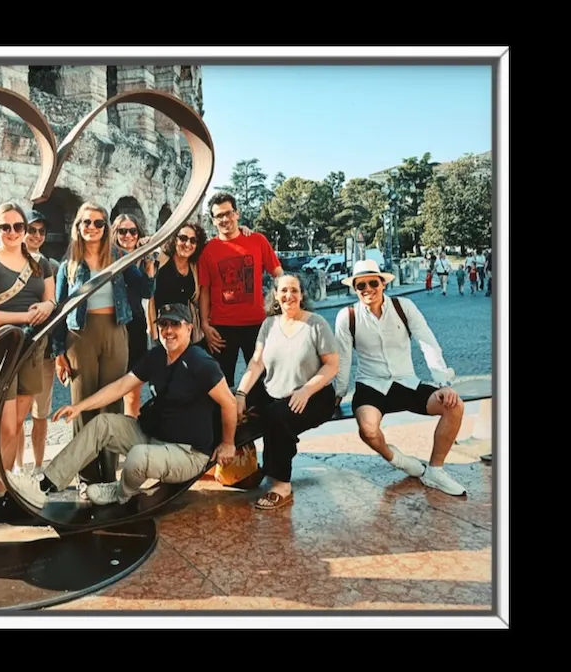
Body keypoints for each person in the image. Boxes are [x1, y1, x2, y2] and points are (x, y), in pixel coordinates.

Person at [6, 303, 237, 509]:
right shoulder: (156, 356)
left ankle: (120, 492)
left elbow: (229, 401)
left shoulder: (201, 363)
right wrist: (79, 407)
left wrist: (228, 443)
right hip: (153, 438)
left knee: (137, 457)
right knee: (102, 424)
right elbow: (121, 386)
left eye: (175, 324)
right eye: (163, 324)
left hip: (187, 453)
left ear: (189, 328)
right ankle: (45, 485)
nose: (168, 331)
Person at [332, 259, 467, 496]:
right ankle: (400, 460)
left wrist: (443, 383)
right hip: (370, 385)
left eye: (373, 283)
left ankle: (435, 471)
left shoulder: (404, 307)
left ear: (383, 283)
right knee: (368, 430)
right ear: (354, 289)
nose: (368, 289)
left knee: (454, 406)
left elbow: (427, 342)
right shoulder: (348, 316)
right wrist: (338, 394)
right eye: (361, 285)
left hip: (407, 382)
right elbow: (343, 359)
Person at [51, 202, 155, 492]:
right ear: (78, 226)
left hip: (115, 331)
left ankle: (108, 475)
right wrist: (58, 353)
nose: (92, 228)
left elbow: (145, 290)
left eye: (98, 223)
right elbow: (59, 310)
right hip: (80, 337)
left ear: (106, 228)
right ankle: (86, 478)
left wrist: (149, 268)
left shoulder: (118, 257)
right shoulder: (68, 265)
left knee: (111, 404)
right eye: (87, 222)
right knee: (82, 404)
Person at [0, 202, 57, 522]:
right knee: (2, 427)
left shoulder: (40, 263)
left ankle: (1, 491)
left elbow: (50, 298)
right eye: (5, 227)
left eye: (19, 226)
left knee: (16, 425)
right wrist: (24, 317)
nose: (13, 232)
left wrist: (47, 307)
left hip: (30, 350)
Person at [233, 274, 340, 511]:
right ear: (275, 295)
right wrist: (241, 394)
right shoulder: (269, 325)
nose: (288, 295)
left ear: (302, 295)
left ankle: (281, 484)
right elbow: (256, 363)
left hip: (314, 395)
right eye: (283, 290)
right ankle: (228, 462)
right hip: (274, 390)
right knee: (229, 403)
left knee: (277, 417)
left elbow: (332, 365)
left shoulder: (317, 324)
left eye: (294, 290)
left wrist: (306, 390)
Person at [198, 193, 283, 387]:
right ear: (213, 220)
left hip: (256, 324)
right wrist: (204, 325)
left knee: (263, 381)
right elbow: (205, 290)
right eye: (219, 215)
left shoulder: (258, 241)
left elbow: (278, 275)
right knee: (221, 384)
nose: (224, 219)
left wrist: (279, 310)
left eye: (228, 213)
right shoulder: (208, 251)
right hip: (221, 327)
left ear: (237, 213)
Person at [20, 210, 60, 470]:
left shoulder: (52, 266)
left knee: (40, 413)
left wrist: (60, 352)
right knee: (15, 413)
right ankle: (15, 466)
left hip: (44, 350)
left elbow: (59, 309)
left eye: (41, 231)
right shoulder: (9, 262)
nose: (36, 236)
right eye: (31, 230)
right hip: (17, 349)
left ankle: (37, 466)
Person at [112, 213, 154, 418]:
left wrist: (149, 262)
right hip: (113, 323)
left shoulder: (143, 257)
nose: (128, 235)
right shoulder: (109, 257)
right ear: (115, 233)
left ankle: (129, 429)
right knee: (112, 385)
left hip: (136, 324)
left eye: (132, 231)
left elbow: (147, 291)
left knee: (132, 389)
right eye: (122, 231)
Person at [149, 221, 206, 350]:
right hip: (162, 329)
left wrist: (241, 228)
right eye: (183, 238)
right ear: (174, 239)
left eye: (193, 240)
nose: (188, 244)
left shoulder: (194, 266)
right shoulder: (160, 261)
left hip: (185, 330)